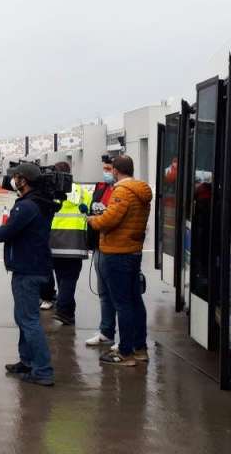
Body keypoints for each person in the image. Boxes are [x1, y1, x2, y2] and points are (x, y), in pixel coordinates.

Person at [0, 163, 58, 387]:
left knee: (28, 321)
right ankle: (26, 361)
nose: (13, 180)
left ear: (24, 180)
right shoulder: (40, 202)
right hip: (35, 265)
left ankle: (42, 370)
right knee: (24, 318)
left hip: (27, 268)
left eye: (16, 177)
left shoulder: (27, 207)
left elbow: (3, 234)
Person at [88, 155, 153, 367]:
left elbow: (109, 221)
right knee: (135, 301)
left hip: (117, 252)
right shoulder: (141, 191)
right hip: (133, 251)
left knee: (122, 303)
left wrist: (93, 220)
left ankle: (125, 352)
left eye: (111, 169)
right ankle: (139, 347)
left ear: (116, 171)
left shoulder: (122, 192)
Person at [42, 162, 92, 325]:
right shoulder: (82, 192)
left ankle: (67, 311)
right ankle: (64, 310)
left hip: (53, 242)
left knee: (62, 277)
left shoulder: (48, 193)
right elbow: (91, 211)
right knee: (69, 279)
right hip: (75, 242)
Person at [85, 156, 118, 347]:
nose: (105, 171)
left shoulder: (121, 190)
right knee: (103, 293)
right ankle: (106, 332)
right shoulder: (101, 187)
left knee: (118, 295)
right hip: (99, 245)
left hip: (113, 248)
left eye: (108, 168)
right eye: (104, 168)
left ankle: (126, 341)